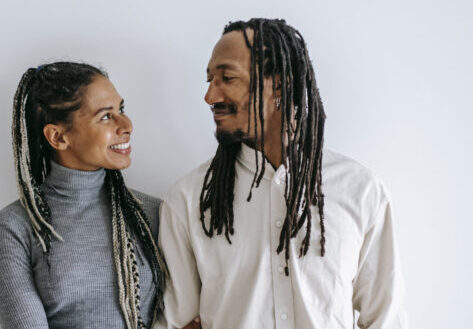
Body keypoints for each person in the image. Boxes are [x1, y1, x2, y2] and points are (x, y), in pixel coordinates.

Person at [153, 19, 408, 329]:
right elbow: (176, 323)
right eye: (209, 79)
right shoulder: (188, 199)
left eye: (227, 78)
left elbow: (386, 318)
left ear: (280, 85)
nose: (210, 96)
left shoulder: (360, 190)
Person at [0, 62, 199, 329]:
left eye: (121, 109)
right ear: (58, 137)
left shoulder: (154, 214)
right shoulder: (13, 227)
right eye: (106, 116)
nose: (127, 124)